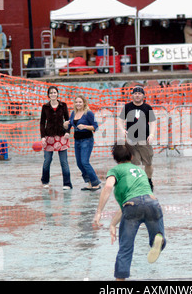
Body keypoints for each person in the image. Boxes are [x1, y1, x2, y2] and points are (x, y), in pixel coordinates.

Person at [93, 142, 166, 281]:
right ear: (132, 156)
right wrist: (113, 224)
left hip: (132, 206)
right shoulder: (140, 172)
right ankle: (158, 240)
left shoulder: (115, 170)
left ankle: (120, 280)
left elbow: (108, 187)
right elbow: (132, 203)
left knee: (125, 248)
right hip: (152, 203)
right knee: (158, 237)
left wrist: (98, 212)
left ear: (115, 159)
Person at [117, 85, 156, 191]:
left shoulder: (147, 107)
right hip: (131, 139)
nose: (137, 95)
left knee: (148, 162)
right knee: (135, 163)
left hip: (144, 139)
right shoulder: (127, 107)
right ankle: (137, 182)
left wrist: (151, 135)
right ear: (132, 95)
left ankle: (148, 180)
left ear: (143, 95)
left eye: (139, 93)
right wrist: (122, 130)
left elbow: (152, 122)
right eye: (135, 93)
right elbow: (120, 120)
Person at [64, 94, 101, 191]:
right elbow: (68, 127)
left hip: (87, 140)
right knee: (79, 163)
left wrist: (85, 127)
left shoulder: (88, 113)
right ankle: (89, 182)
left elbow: (95, 126)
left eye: (80, 102)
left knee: (85, 162)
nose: (78, 104)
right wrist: (65, 125)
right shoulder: (73, 113)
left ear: (84, 103)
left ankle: (95, 183)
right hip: (77, 141)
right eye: (76, 102)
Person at [40, 86, 72, 190]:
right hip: (49, 136)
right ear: (48, 95)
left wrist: (67, 132)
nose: (53, 94)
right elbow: (42, 123)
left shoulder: (63, 106)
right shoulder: (45, 107)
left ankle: (67, 183)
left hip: (61, 136)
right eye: (51, 93)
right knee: (47, 161)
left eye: (55, 92)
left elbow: (68, 120)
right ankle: (45, 181)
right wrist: (43, 136)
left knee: (64, 162)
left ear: (57, 94)